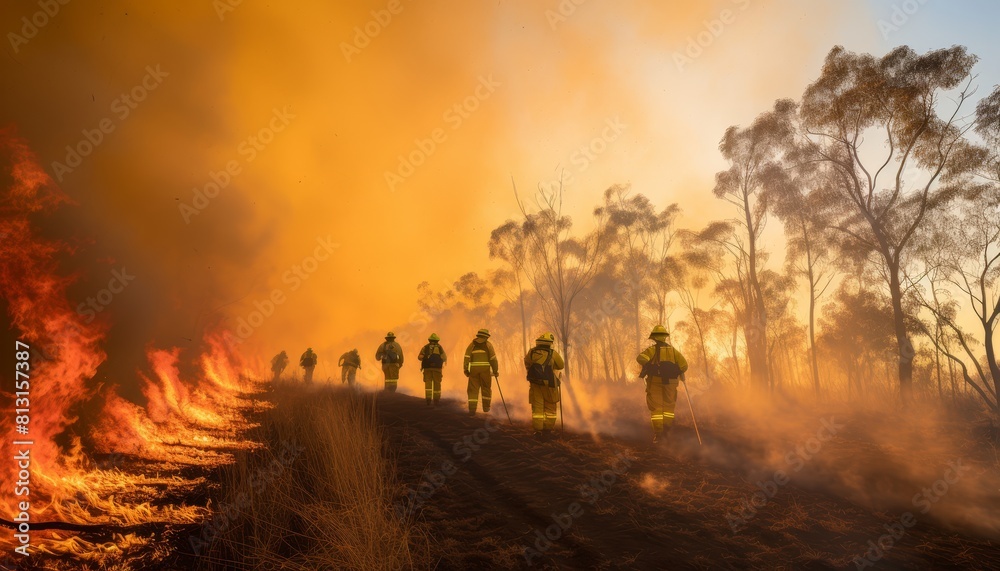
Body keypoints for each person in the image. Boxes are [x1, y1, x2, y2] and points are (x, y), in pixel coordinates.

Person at [636, 325, 688, 444]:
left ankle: (659, 435)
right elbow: (684, 365)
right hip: (671, 383)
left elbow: (640, 358)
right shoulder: (674, 351)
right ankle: (667, 433)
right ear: (665, 337)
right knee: (669, 407)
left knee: (656, 409)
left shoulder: (652, 350)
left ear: (654, 337)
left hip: (655, 382)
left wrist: (650, 365)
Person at [524, 333, 564, 440]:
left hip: (535, 383)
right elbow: (561, 365)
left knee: (537, 408)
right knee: (550, 407)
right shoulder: (553, 353)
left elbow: (527, 362)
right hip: (549, 384)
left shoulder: (532, 352)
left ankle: (538, 432)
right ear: (549, 343)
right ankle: (547, 430)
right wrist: (551, 366)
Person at [463, 328, 498, 416]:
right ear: (486, 336)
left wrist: (466, 369)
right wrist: (495, 371)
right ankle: (486, 408)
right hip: (485, 370)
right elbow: (493, 359)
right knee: (486, 388)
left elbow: (466, 357)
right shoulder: (488, 345)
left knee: (473, 390)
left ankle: (472, 410)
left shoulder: (472, 345)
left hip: (474, 370)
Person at [417, 333, 447, 406]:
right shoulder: (440, 348)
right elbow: (444, 357)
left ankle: (428, 400)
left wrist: (426, 358)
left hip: (427, 369)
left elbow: (419, 357)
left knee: (428, 384)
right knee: (437, 384)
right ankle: (436, 400)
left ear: (429, 340)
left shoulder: (425, 347)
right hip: (437, 369)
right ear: (437, 340)